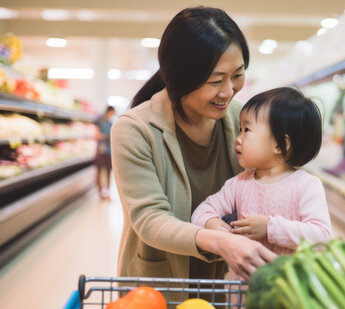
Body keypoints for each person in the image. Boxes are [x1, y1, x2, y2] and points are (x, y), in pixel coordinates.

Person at [111, 6, 277, 284]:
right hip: (162, 286)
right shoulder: (135, 129)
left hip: (231, 282)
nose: (228, 91)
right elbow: (150, 218)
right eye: (215, 81)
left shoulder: (243, 119)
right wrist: (219, 241)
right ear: (179, 77)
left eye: (237, 75)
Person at [191, 87, 332, 280]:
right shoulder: (239, 184)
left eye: (247, 130)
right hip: (244, 293)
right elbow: (202, 210)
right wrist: (212, 223)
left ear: (279, 144)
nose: (238, 138)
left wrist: (270, 228)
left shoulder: (306, 185)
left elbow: (321, 236)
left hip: (294, 290)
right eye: (240, 129)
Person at [95, 105, 115, 200]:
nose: (112, 115)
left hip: (109, 151)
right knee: (99, 172)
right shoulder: (100, 122)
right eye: (112, 113)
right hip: (101, 152)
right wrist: (106, 136)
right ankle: (100, 192)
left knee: (108, 172)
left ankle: (107, 192)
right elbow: (97, 136)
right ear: (108, 112)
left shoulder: (111, 123)